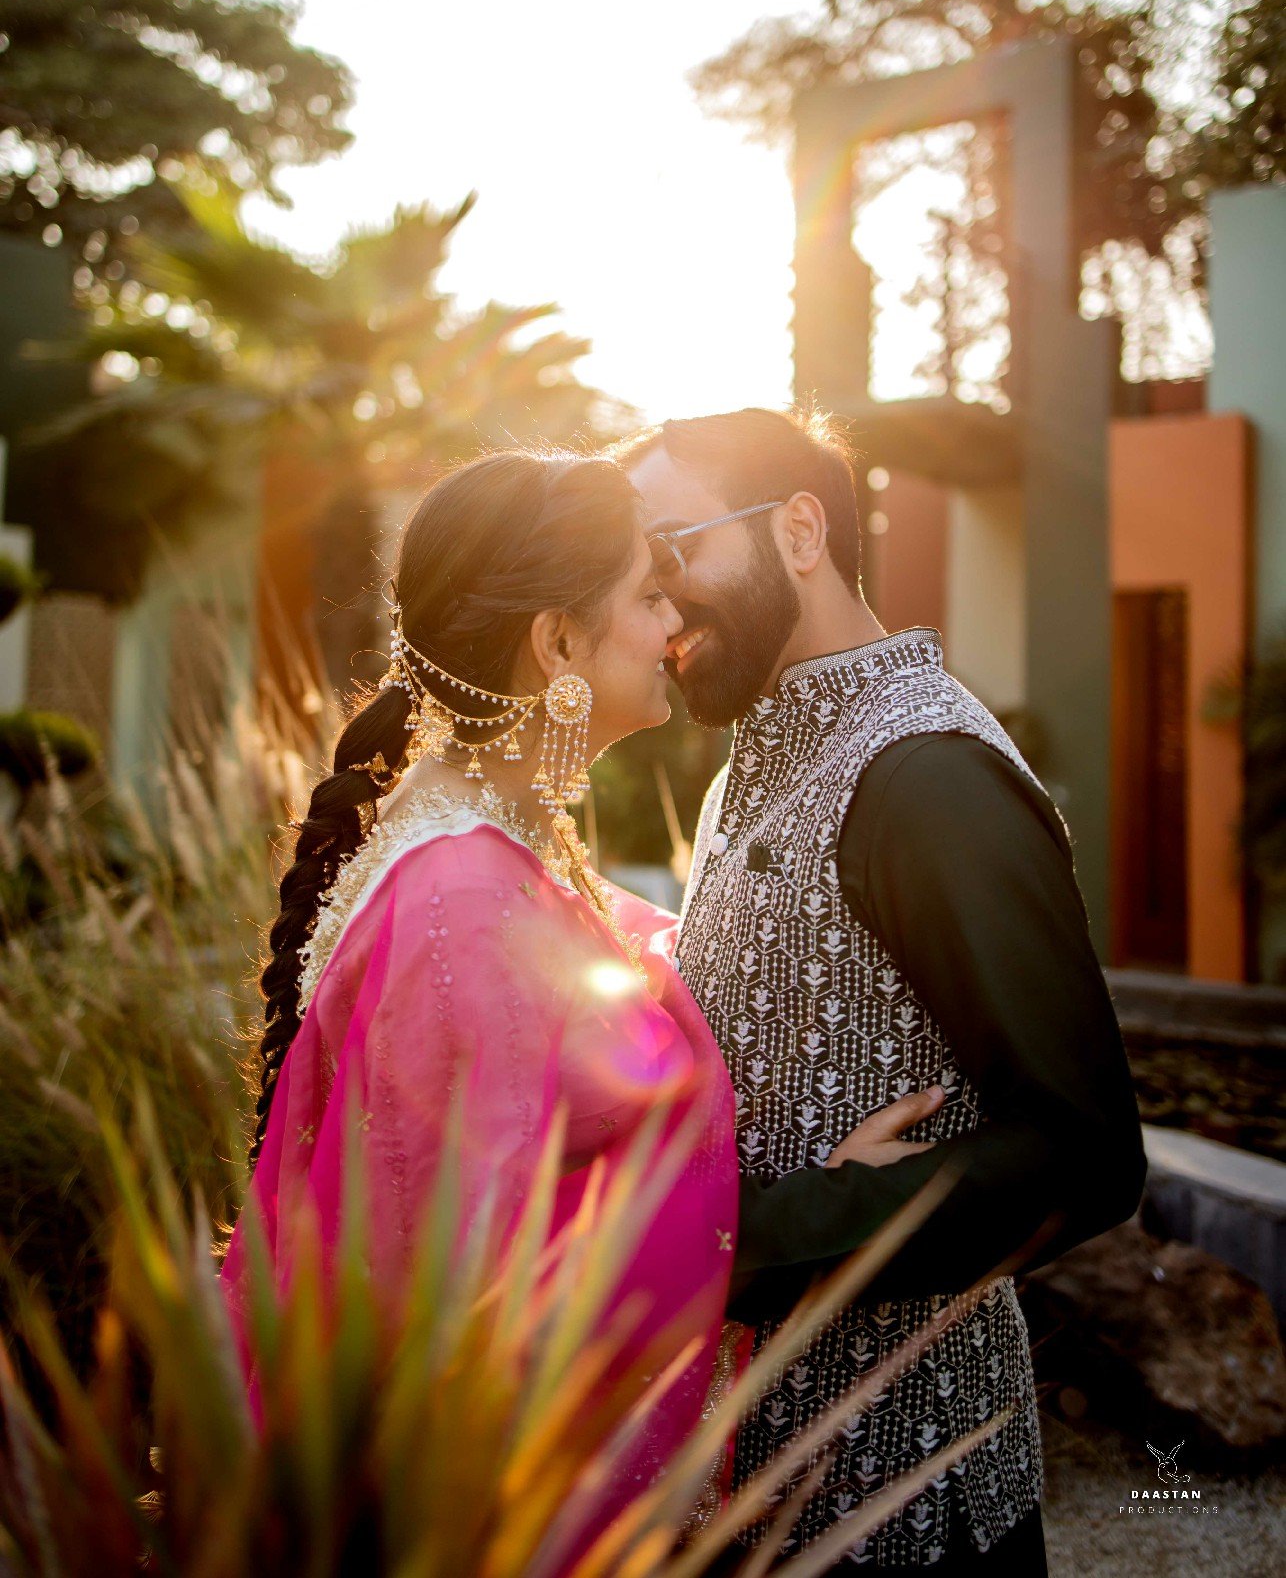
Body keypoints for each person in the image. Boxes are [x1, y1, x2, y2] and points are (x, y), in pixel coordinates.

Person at [620, 407, 1147, 1574]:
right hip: (743, 1488)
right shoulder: (755, 759)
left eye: (674, 553)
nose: (656, 606)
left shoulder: (927, 777)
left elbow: (1082, 1151)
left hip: (908, 1499)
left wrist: (742, 1244)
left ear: (798, 529)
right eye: (639, 578)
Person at [219, 449, 743, 1566]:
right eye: (648, 595)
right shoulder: (460, 897)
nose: (674, 623)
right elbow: (456, 1272)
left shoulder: (484, 844)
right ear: (555, 644)